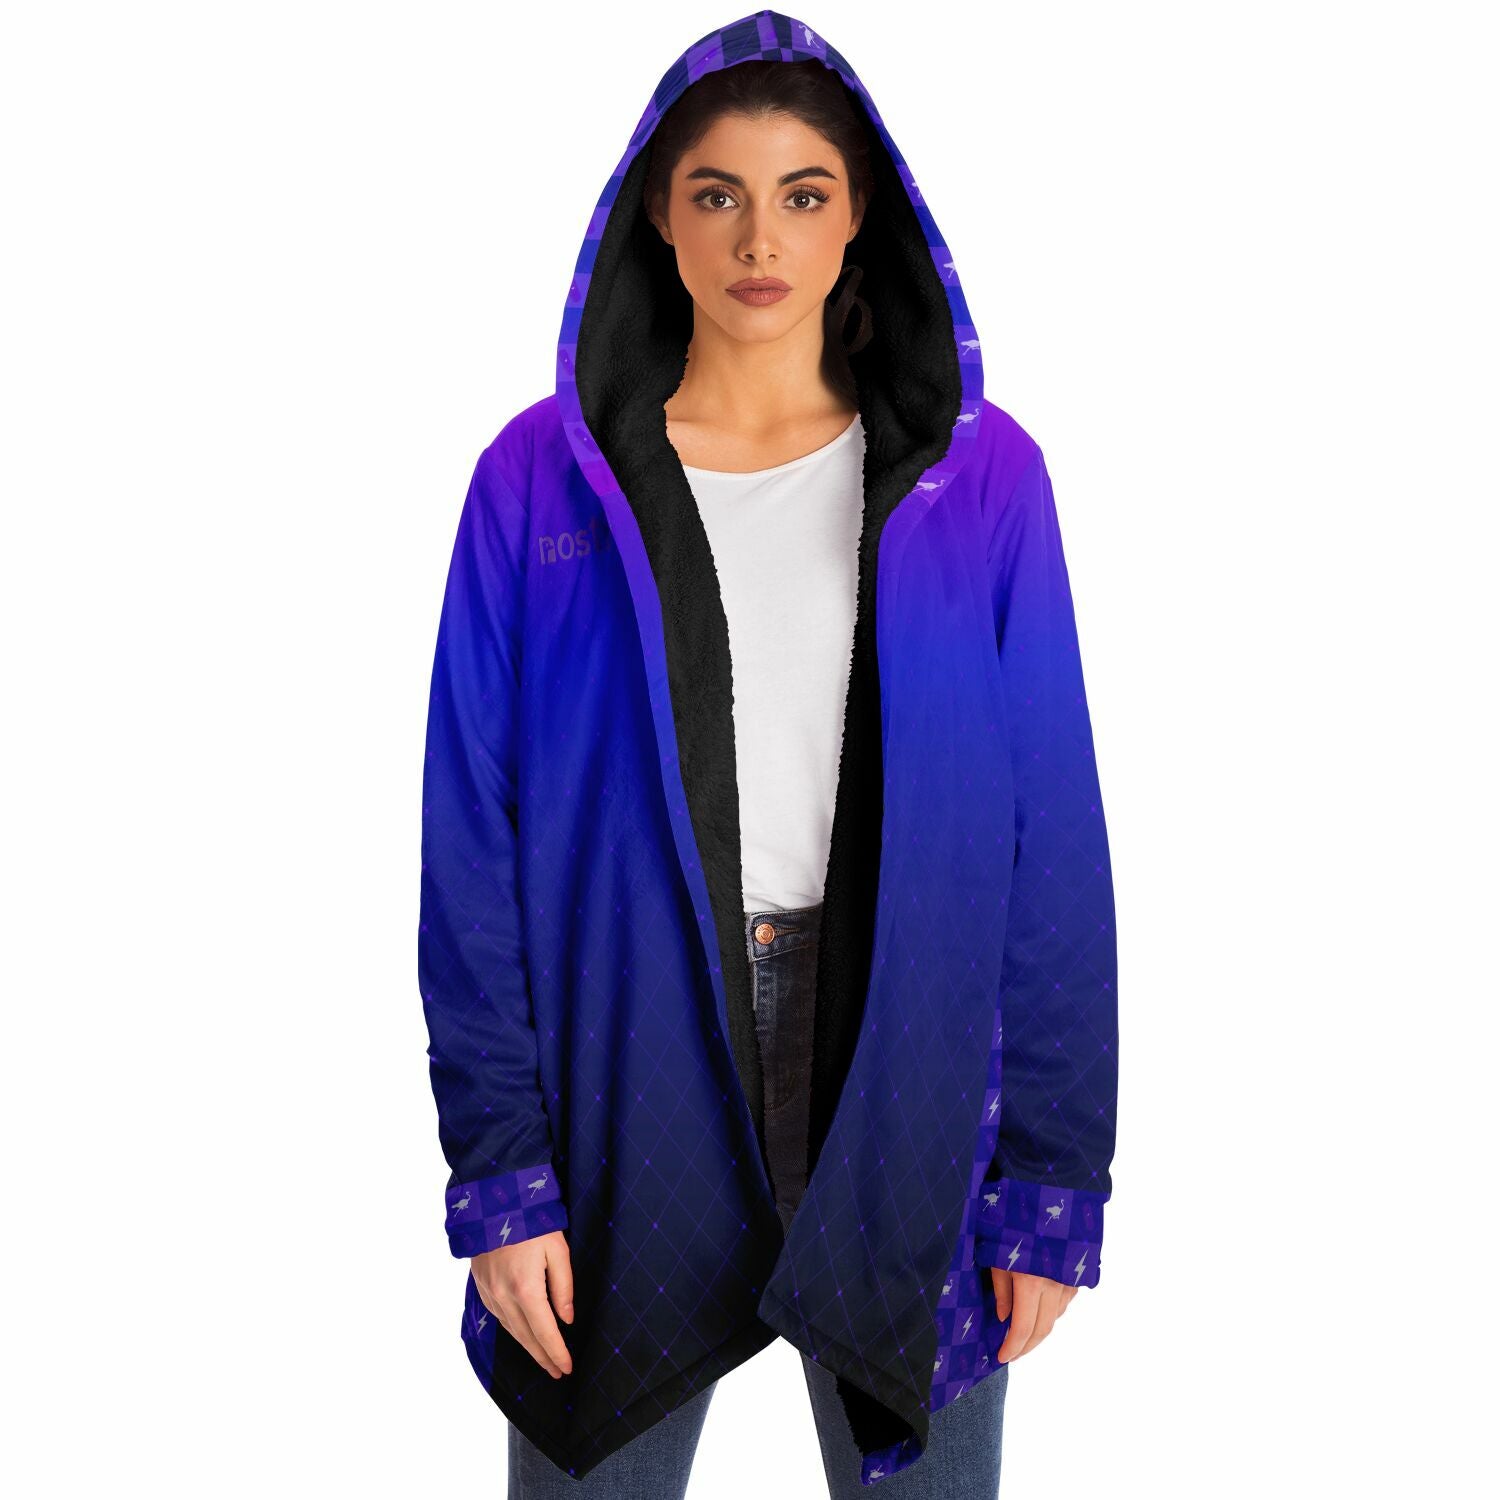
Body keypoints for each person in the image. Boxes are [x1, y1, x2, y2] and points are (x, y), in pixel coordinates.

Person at [417, 10, 1118, 1496]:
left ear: (860, 216)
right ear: (656, 215)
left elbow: (1049, 835)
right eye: (717, 193)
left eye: (804, 193)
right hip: (622, 1055)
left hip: (909, 1058)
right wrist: (502, 1172)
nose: (760, 237)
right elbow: (472, 828)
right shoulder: (541, 478)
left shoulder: (980, 474)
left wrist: (1052, 1173)